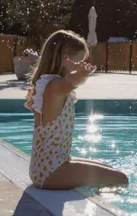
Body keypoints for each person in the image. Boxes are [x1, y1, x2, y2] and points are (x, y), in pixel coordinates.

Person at [25, 29, 129, 190]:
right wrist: (82, 74)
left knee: (108, 169)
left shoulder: (46, 82)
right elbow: (72, 81)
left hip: (46, 168)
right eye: (78, 62)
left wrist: (36, 59)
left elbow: (62, 72)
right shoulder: (55, 87)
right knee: (121, 178)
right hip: (52, 172)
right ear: (64, 59)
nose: (79, 66)